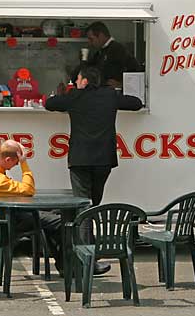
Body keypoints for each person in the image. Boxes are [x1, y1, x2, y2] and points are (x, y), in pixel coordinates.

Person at [45, 66, 143, 275]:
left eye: (78, 79)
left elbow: (50, 104)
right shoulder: (109, 96)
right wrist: (116, 92)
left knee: (84, 207)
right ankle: (86, 255)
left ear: (85, 82)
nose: (77, 82)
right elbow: (136, 104)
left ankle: (84, 259)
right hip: (104, 160)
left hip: (80, 159)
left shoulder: (75, 96)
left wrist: (63, 93)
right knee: (92, 205)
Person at [0, 139, 63, 273]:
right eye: (16, 162)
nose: (16, 165)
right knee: (60, 222)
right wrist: (24, 164)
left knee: (56, 216)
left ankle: (64, 263)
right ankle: (68, 265)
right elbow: (29, 190)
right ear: (8, 159)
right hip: (11, 221)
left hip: (6, 215)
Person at [85, 21, 141, 88]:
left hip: (115, 94)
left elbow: (136, 70)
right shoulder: (99, 53)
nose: (90, 43)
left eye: (91, 39)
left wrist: (122, 84)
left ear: (101, 35)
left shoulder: (118, 49)